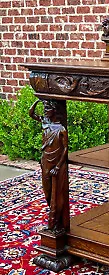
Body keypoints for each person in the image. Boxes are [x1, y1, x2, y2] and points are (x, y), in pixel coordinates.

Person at [29, 99, 68, 234]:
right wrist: (38, 101)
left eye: (47, 109)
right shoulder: (45, 123)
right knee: (47, 191)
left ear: (54, 110)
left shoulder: (61, 129)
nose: (45, 111)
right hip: (45, 160)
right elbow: (31, 113)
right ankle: (52, 212)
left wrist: (58, 166)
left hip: (56, 163)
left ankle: (56, 220)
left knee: (57, 193)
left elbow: (65, 149)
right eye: (44, 109)